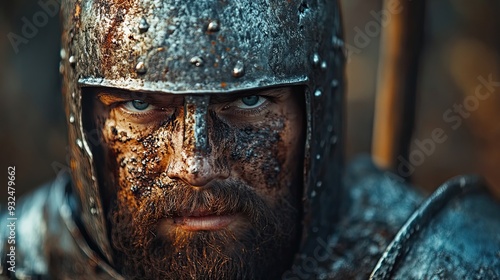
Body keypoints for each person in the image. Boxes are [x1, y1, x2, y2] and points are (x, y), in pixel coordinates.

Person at [1, 0, 499, 279]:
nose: (196, 163)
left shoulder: (450, 264)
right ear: (84, 117)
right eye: (141, 105)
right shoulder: (19, 259)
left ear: (315, 112)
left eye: (250, 102)